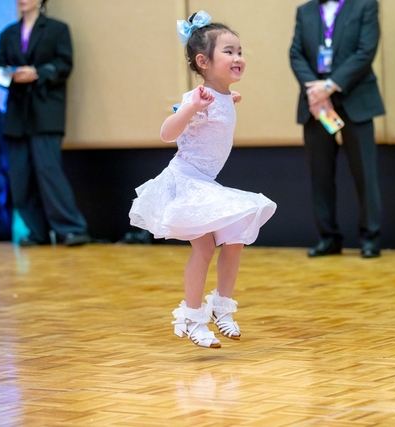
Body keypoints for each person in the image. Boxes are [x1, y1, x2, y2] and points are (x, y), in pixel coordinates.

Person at [129, 11, 276, 349]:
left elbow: (217, 113)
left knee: (236, 237)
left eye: (239, 51)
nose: (238, 57)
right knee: (205, 247)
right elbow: (167, 133)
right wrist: (191, 108)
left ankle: (221, 307)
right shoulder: (197, 98)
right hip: (184, 182)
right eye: (228, 51)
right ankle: (194, 317)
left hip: (203, 183)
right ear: (203, 62)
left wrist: (227, 100)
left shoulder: (221, 95)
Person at [289, 0, 385, 259]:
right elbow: (296, 54)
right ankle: (328, 237)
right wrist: (315, 90)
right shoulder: (305, 11)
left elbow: (366, 51)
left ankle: (370, 237)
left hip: (355, 98)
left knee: (365, 172)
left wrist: (330, 86)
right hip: (316, 105)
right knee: (319, 173)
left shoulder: (364, 5)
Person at [0, 0, 90, 247]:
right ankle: (37, 231)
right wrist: (12, 74)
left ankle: (70, 229)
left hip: (46, 111)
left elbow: (64, 64)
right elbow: (0, 69)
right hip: (17, 113)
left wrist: (37, 73)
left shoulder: (57, 29)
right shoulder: (7, 33)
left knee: (49, 173)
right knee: (20, 177)